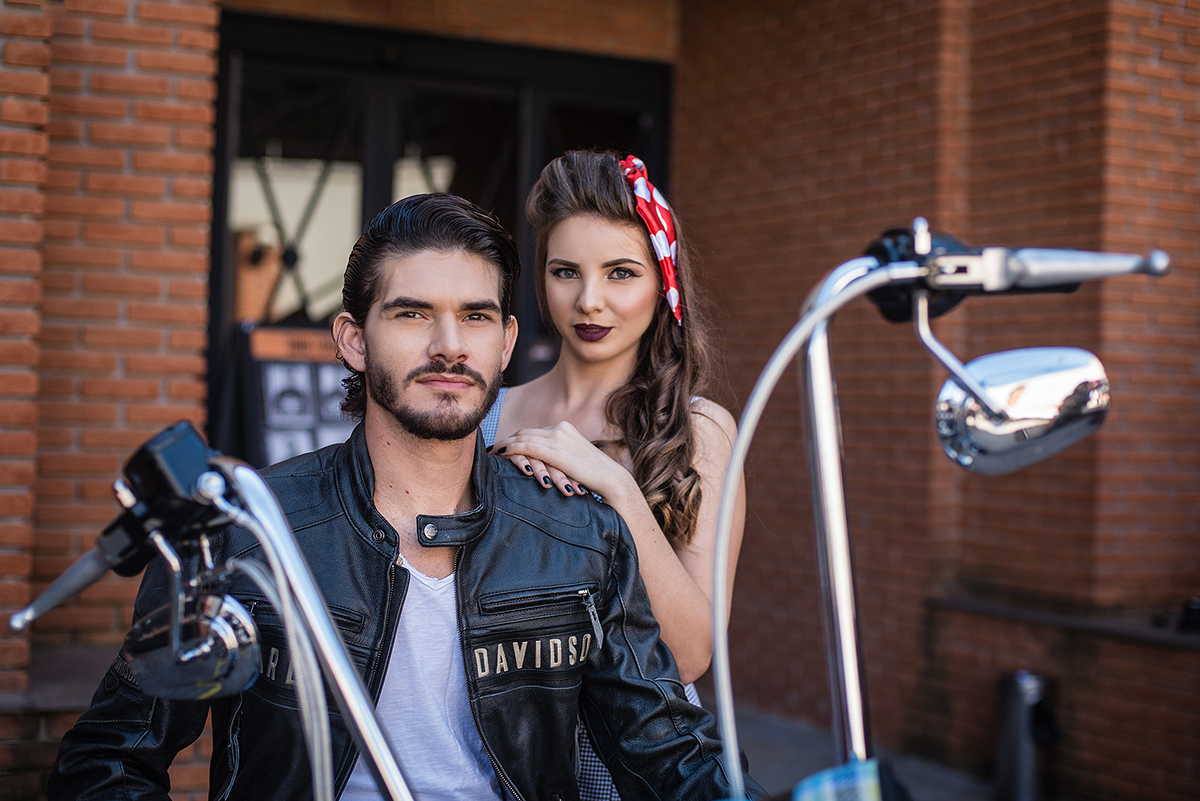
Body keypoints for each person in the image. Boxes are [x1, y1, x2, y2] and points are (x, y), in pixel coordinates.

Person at [48, 194, 762, 801]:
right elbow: (109, 759)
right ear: (354, 340)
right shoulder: (248, 531)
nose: (450, 345)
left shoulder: (578, 534)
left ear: (507, 341)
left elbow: (672, 746)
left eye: (477, 316)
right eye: (414, 314)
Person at [480, 151, 747, 800]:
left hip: (634, 765)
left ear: (661, 284)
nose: (589, 299)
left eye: (620, 273)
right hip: (498, 750)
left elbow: (688, 656)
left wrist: (615, 485)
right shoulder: (488, 413)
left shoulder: (700, 429)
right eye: (564, 271)